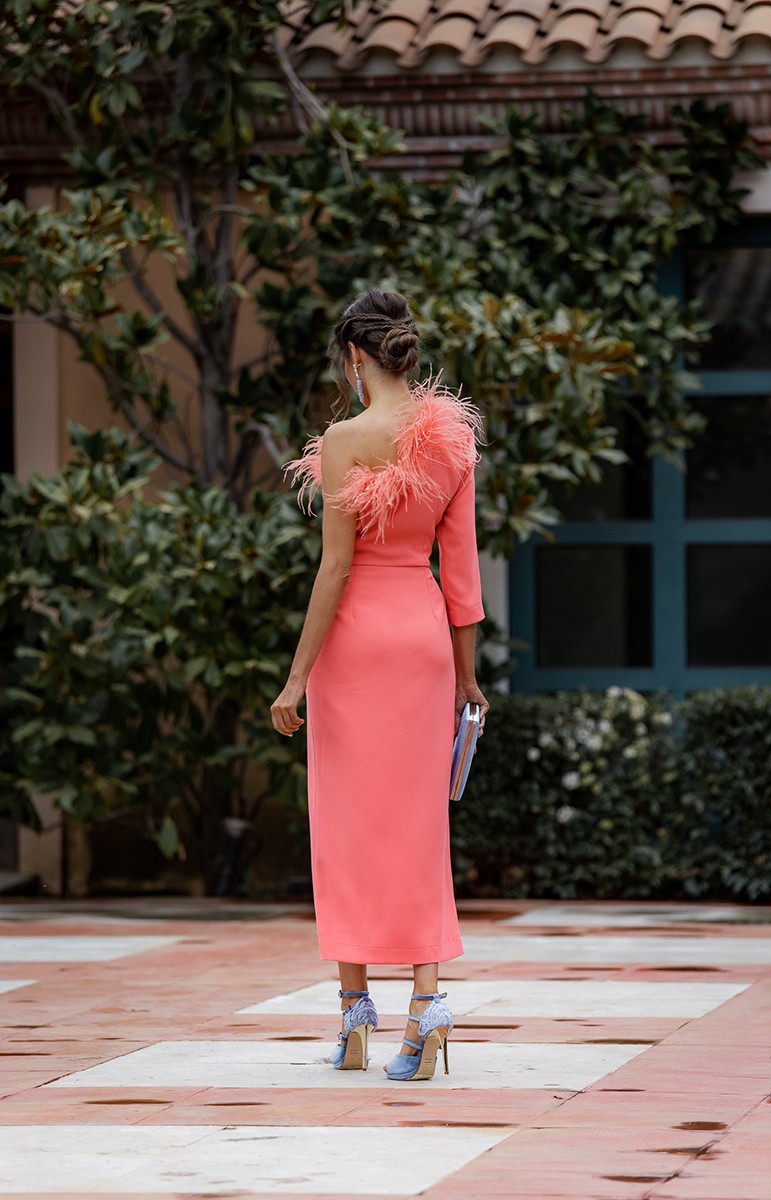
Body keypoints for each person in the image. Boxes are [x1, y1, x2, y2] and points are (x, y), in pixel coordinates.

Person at [270, 289, 489, 1082]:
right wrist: (466, 677)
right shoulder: (452, 446)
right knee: (420, 826)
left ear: (355, 357)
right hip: (424, 640)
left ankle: (353, 1014)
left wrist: (295, 679)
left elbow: (335, 567)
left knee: (345, 825)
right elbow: (461, 575)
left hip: (357, 647)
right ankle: (426, 1006)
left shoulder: (343, 440)